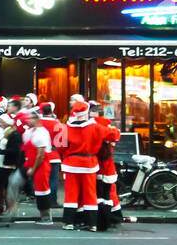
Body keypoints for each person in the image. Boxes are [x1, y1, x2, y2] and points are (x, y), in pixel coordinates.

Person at [61, 99, 105, 231]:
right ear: (87, 112)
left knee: (71, 194)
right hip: (89, 163)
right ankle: (92, 224)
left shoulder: (65, 128)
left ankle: (69, 222)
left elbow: (60, 147)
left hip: (71, 164)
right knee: (90, 194)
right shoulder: (96, 127)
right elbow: (113, 135)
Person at [91, 101, 122, 231]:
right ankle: (113, 217)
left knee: (98, 195)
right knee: (109, 194)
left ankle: (101, 221)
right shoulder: (112, 129)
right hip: (109, 167)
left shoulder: (94, 128)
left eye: (91, 114)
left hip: (97, 165)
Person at [22, 109, 56, 225]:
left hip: (41, 166)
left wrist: (33, 169)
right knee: (38, 190)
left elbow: (41, 155)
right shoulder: (30, 131)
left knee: (42, 190)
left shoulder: (42, 133)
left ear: (36, 119)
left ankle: (46, 217)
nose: (28, 120)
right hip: (31, 165)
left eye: (30, 118)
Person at [40, 102, 64, 208]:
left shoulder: (38, 123)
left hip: (40, 154)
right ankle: (52, 201)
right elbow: (62, 143)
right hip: (54, 155)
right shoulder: (58, 125)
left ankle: (42, 201)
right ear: (51, 111)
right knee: (53, 179)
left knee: (41, 179)